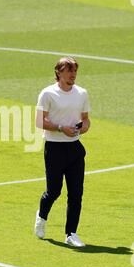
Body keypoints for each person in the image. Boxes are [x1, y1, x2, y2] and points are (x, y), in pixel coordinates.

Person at [34, 57, 91, 247]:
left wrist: (83, 128)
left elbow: (86, 119)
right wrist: (61, 128)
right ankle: (42, 217)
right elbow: (39, 121)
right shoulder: (48, 94)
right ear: (59, 72)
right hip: (54, 147)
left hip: (75, 148)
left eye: (74, 71)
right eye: (69, 71)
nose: (73, 75)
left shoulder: (82, 93)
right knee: (54, 191)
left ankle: (71, 233)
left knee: (76, 193)